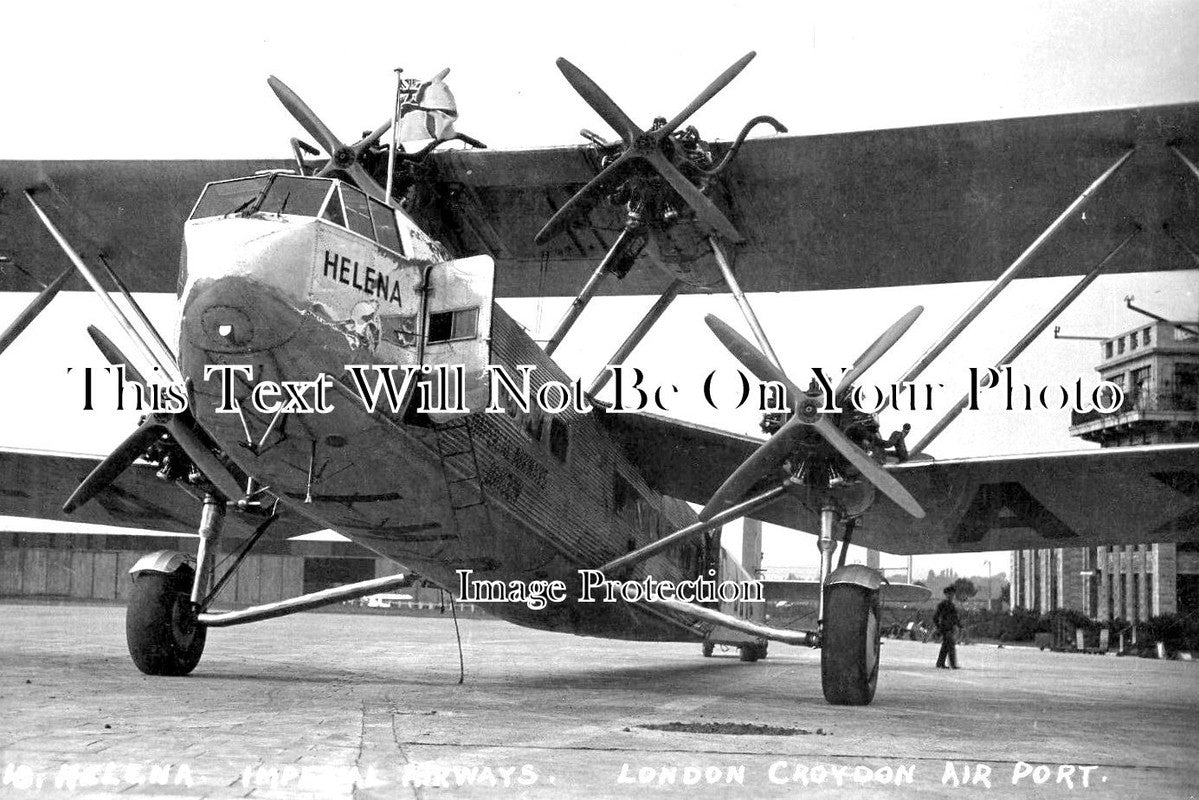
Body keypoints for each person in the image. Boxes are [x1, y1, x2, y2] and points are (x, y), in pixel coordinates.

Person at [933, 586, 960, 669]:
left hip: (950, 628)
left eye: (952, 594)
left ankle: (940, 663)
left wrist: (958, 626)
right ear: (946, 595)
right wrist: (938, 627)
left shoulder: (952, 606)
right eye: (949, 594)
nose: (951, 596)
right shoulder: (942, 605)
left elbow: (955, 618)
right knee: (951, 645)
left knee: (945, 646)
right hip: (944, 628)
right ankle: (952, 664)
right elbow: (935, 617)